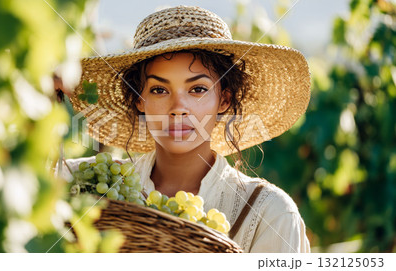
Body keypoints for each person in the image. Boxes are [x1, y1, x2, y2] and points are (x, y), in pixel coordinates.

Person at [57, 6, 311, 252]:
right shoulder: (85, 183)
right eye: (159, 90)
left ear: (224, 99)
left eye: (198, 90)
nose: (178, 108)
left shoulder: (271, 215)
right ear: (139, 100)